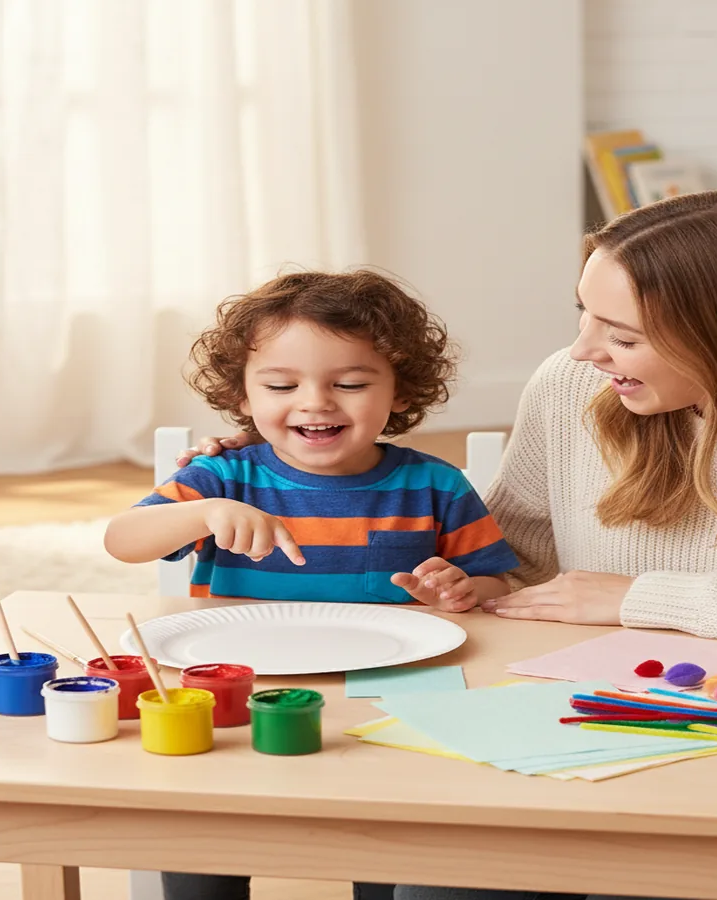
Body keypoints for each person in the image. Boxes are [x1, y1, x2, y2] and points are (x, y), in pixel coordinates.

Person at [180, 191, 717, 898]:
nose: (583, 349)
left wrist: (641, 598)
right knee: (438, 879)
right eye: (585, 313)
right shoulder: (575, 385)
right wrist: (462, 585)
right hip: (576, 728)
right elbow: (519, 569)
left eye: (623, 332)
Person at [105, 269, 518, 900]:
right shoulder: (222, 476)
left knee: (387, 837)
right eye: (280, 384)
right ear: (242, 396)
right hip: (238, 694)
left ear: (400, 391)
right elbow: (122, 540)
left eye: (349, 383)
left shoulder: (435, 486)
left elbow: (496, 583)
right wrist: (201, 513)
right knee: (203, 831)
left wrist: (463, 591)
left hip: (384, 701)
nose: (316, 402)